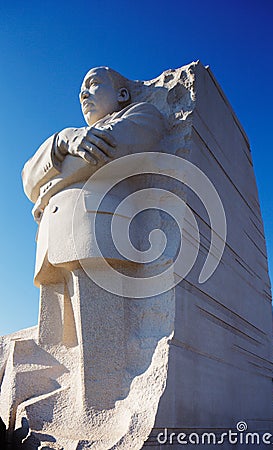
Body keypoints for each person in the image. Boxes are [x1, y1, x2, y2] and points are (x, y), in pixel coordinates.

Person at [22, 66, 165, 409]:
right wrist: (62, 140)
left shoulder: (142, 114)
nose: (84, 94)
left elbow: (107, 153)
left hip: (96, 233)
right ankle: (68, 414)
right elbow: (28, 178)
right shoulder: (69, 141)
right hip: (53, 241)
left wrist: (47, 188)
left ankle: (102, 415)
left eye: (93, 84)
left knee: (100, 353)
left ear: (122, 94)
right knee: (59, 344)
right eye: (80, 90)